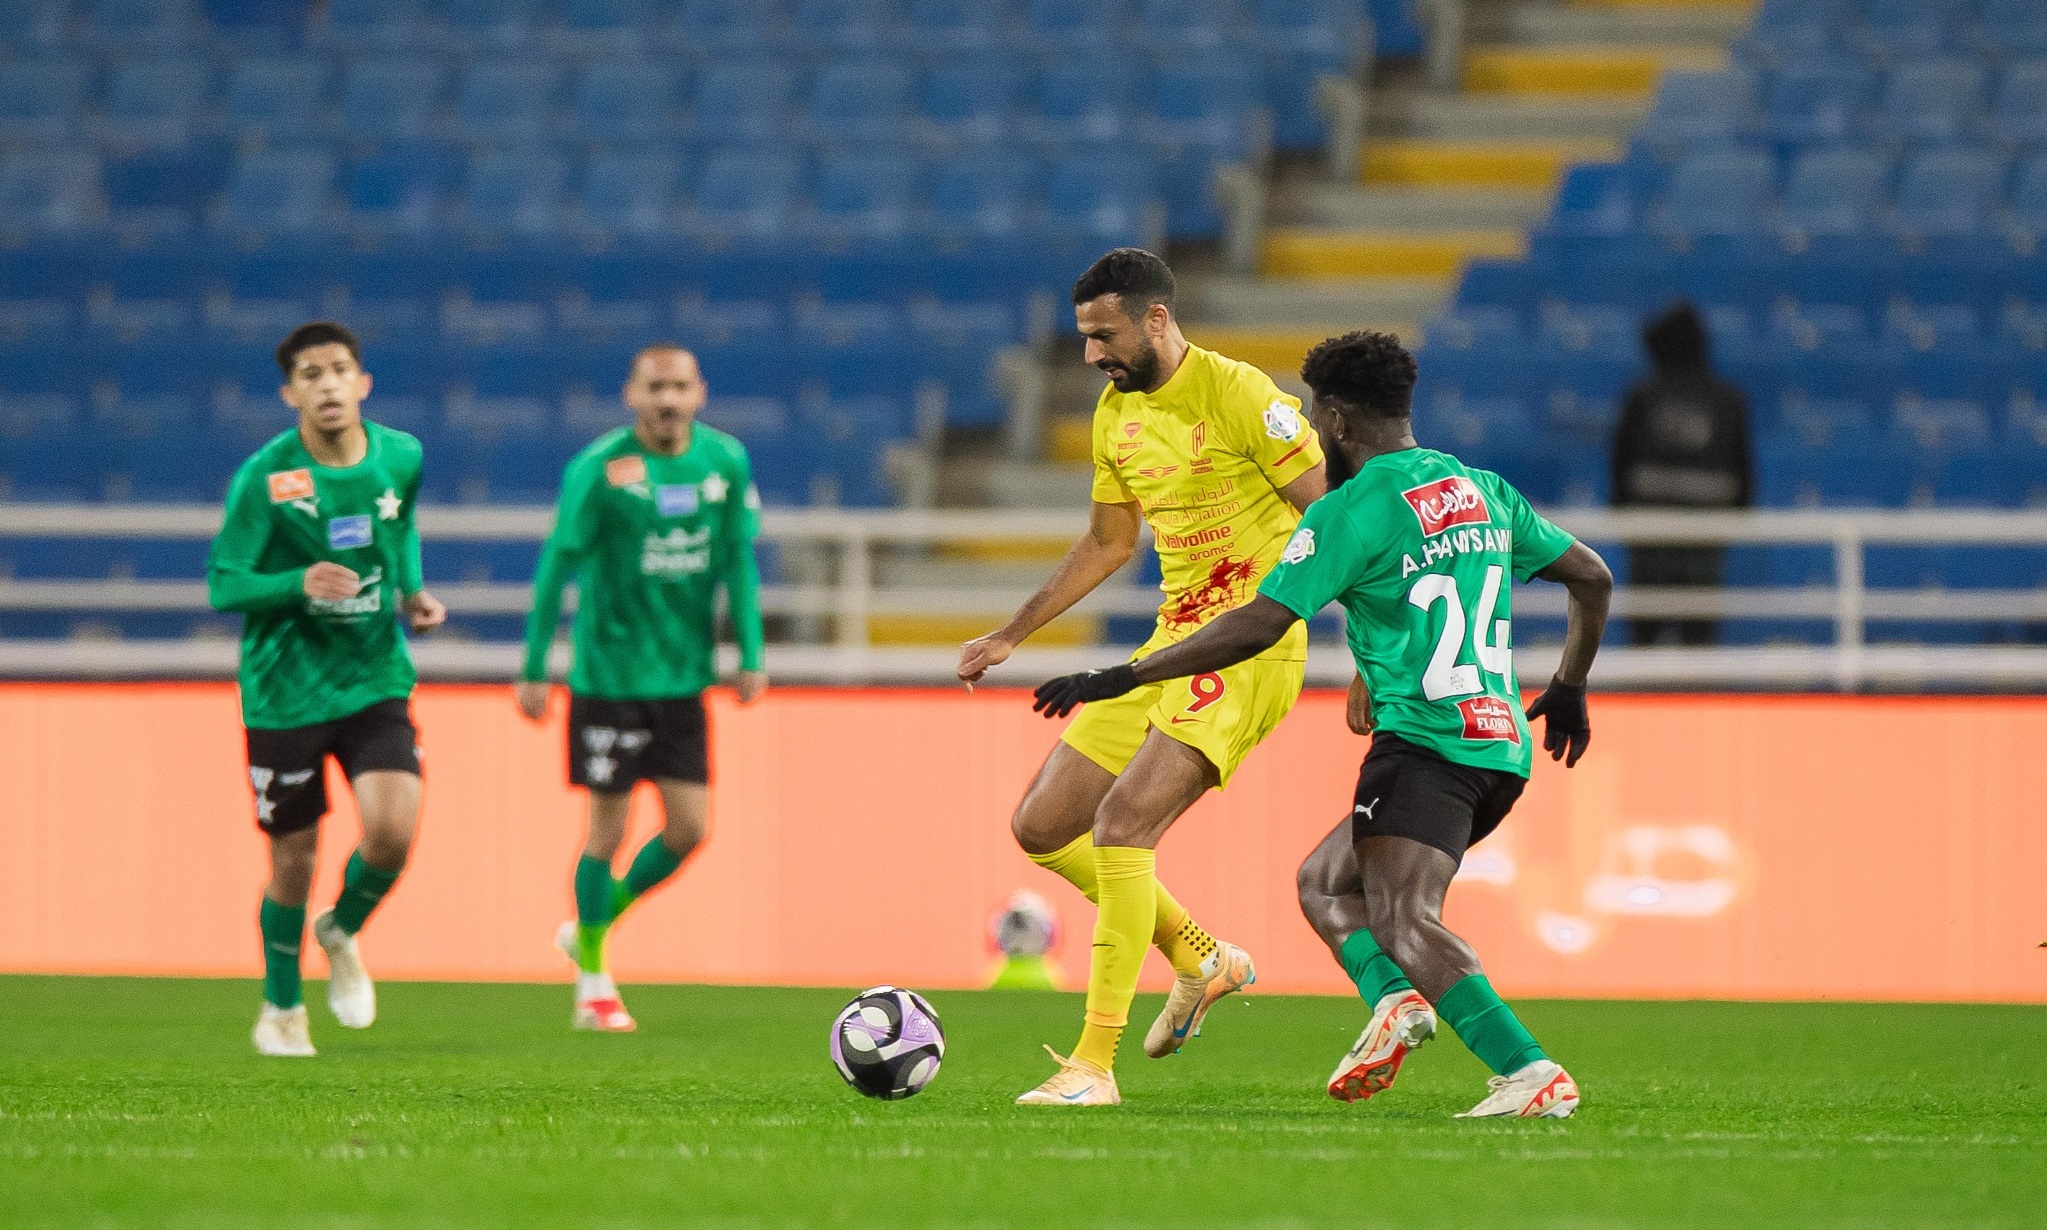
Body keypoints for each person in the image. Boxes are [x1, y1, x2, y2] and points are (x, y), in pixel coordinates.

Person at [1034, 330, 1614, 1118]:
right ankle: (1396, 1004)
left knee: (1403, 916)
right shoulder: (1479, 488)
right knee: (1325, 884)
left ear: (1336, 419)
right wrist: (1570, 685)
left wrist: (1123, 675)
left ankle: (1529, 1070)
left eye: (1315, 416)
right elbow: (1590, 576)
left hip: (1425, 743)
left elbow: (1259, 623)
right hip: (1498, 742)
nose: (1311, 431)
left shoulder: (1349, 510)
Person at [957, 248, 1328, 1107]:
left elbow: (1336, 518)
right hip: (1168, 645)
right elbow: (1108, 542)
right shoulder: (1113, 413)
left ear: (1156, 318)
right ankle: (1202, 957)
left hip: (1247, 648)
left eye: (1104, 336)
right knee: (1044, 825)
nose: (1092, 355)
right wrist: (1012, 633)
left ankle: (1091, 1065)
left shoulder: (1242, 396)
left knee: (1123, 827)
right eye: (1085, 338)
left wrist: (1377, 653)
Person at [206, 321, 446, 1058]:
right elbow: (224, 582)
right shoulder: (266, 477)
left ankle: (341, 928)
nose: (328, 384)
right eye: (310, 375)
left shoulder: (401, 455)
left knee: (393, 832)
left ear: (362, 382)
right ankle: (281, 1007)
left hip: (374, 677)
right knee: (293, 861)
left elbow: (398, 525)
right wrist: (296, 583)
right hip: (285, 692)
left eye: (339, 369)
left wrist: (411, 591)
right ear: (291, 394)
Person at [516, 344, 767, 1033]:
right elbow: (557, 565)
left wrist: (750, 651)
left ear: (699, 393)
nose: (667, 400)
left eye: (678, 387)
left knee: (690, 830)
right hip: (609, 677)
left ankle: (592, 927)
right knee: (608, 829)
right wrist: (534, 663)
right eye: (655, 388)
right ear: (632, 394)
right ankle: (593, 983)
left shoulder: (724, 461)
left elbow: (737, 561)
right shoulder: (598, 469)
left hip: (683, 678)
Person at [1610, 300, 1752, 646]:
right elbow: (1745, 476)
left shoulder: (1642, 397)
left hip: (1653, 538)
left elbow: (1619, 470)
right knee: (1697, 639)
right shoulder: (1728, 399)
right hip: (1701, 538)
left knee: (1647, 636)